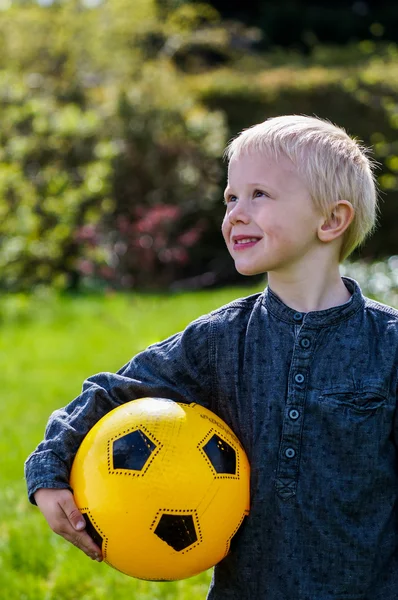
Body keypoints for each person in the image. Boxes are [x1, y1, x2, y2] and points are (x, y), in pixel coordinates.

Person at [25, 115, 398, 599]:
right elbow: (114, 391)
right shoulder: (220, 340)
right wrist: (49, 471)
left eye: (259, 195)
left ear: (331, 220)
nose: (236, 213)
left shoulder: (387, 345)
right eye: (231, 197)